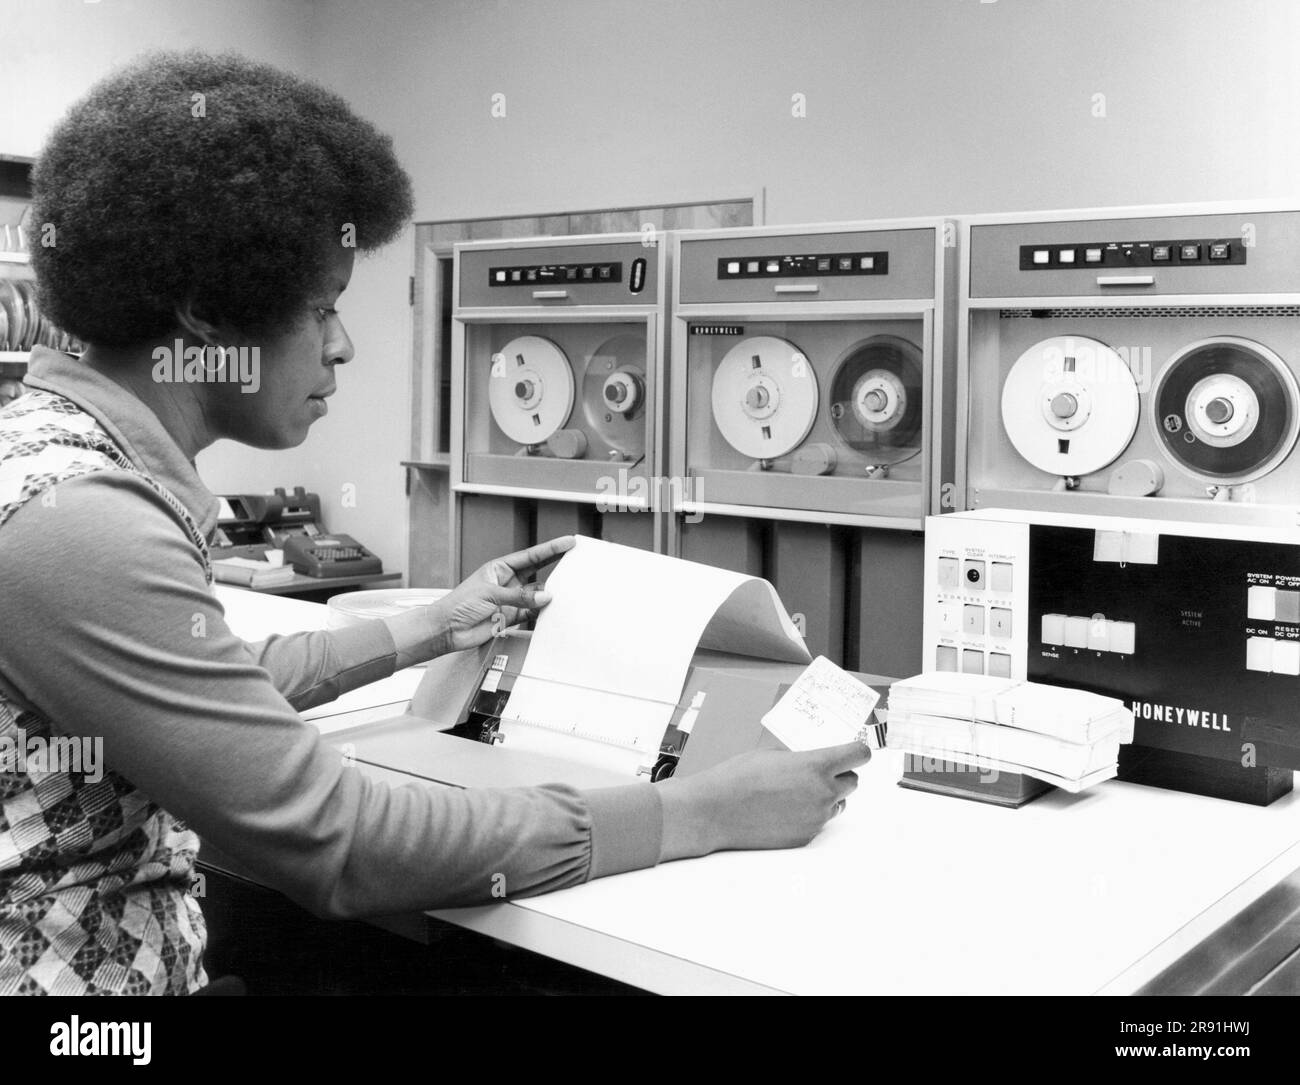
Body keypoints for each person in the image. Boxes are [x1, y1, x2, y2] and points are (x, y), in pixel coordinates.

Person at [0, 50, 866, 996]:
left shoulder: (59, 457)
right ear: (205, 314)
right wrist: (698, 811)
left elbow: (197, 681)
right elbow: (342, 844)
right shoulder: (80, 522)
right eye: (321, 309)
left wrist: (433, 626)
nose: (343, 345)